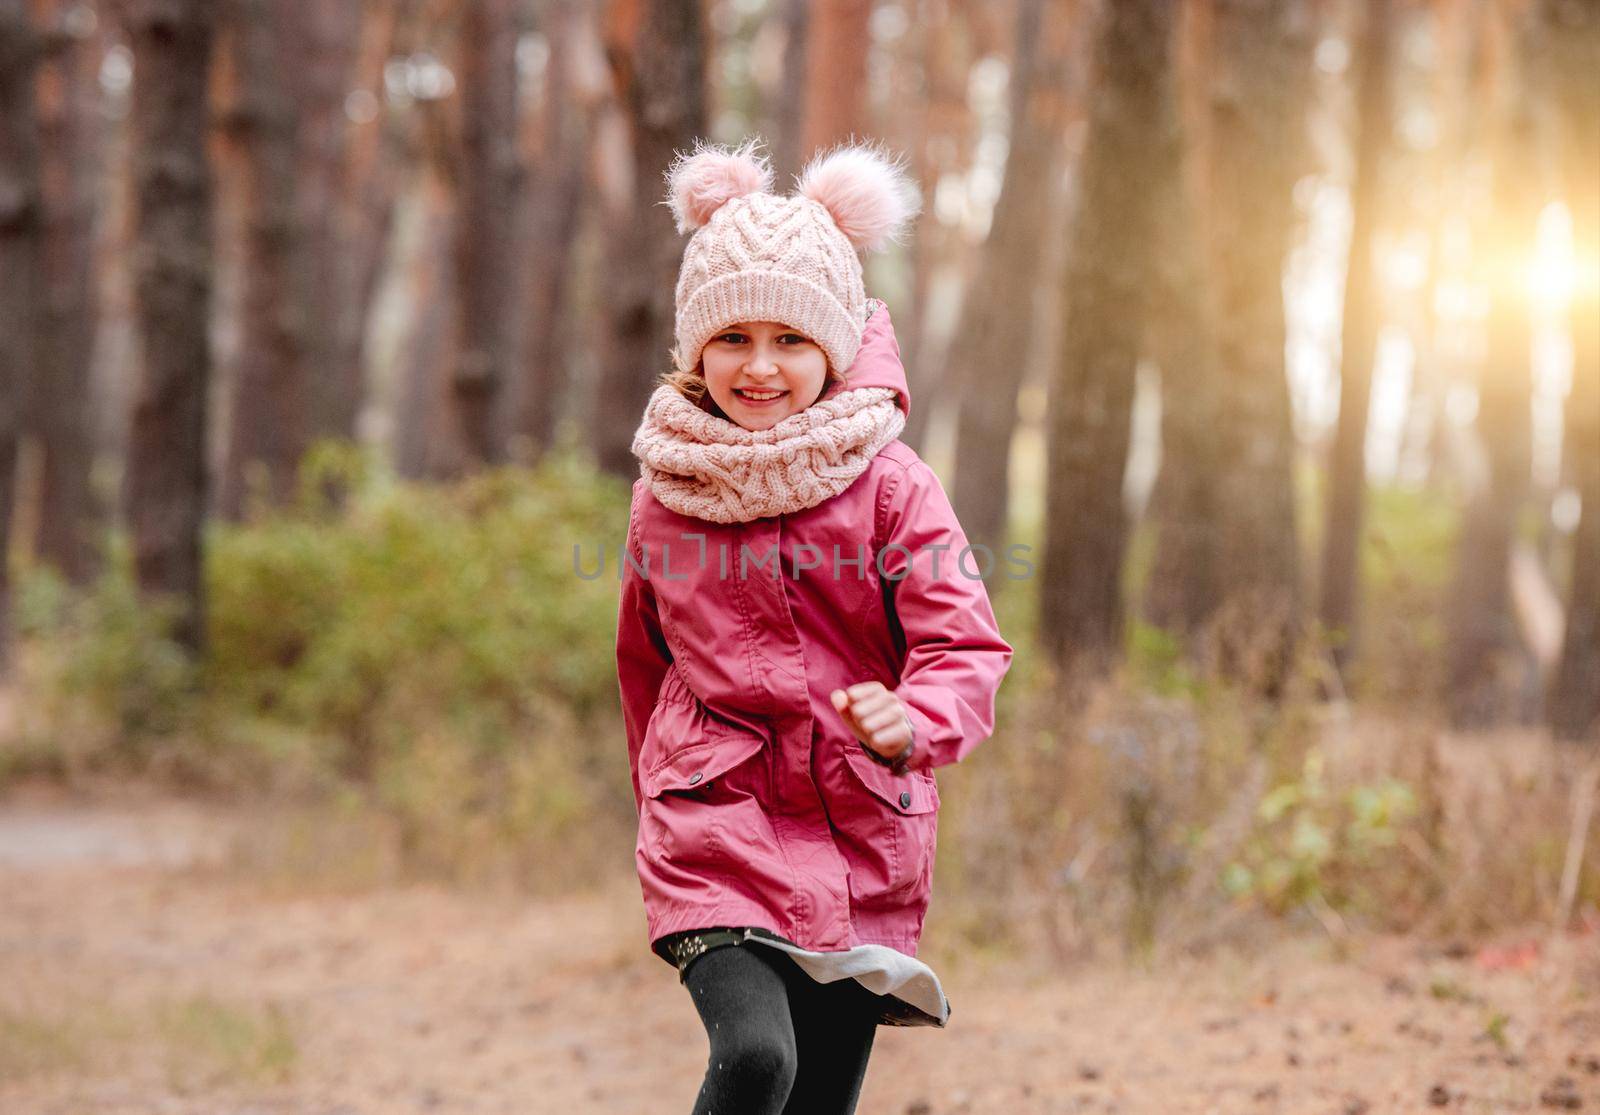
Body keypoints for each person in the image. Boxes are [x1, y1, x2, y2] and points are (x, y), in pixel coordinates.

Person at [616, 136, 1014, 1115]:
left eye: (791, 339)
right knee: (756, 1059)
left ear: (833, 345)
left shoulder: (890, 485)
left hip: (856, 824)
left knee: (819, 1097)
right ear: (694, 346)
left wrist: (913, 720)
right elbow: (643, 663)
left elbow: (963, 641)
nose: (760, 366)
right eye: (732, 337)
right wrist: (658, 791)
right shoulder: (666, 492)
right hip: (712, 819)